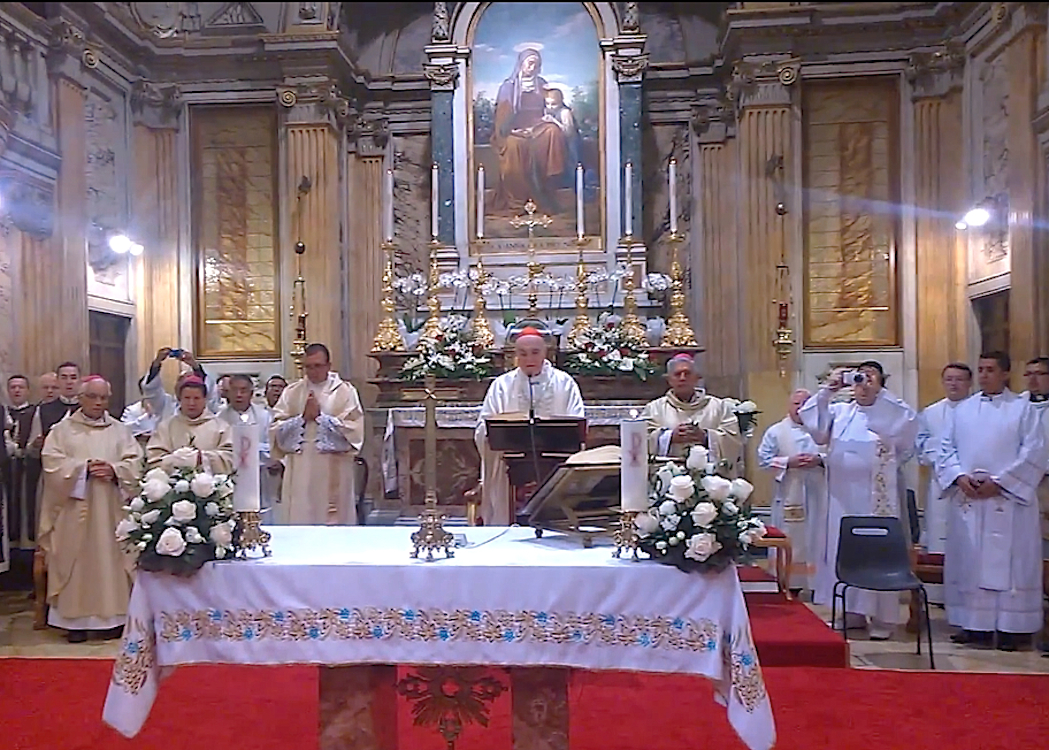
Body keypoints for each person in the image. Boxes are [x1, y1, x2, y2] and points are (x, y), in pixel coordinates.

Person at [799, 360, 918, 640]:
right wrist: (827, 390)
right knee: (843, 549)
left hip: (877, 499)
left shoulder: (891, 410)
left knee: (876, 552)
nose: (863, 385)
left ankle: (883, 618)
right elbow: (817, 431)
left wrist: (879, 394)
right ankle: (851, 612)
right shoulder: (841, 411)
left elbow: (906, 430)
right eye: (859, 378)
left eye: (870, 378)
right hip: (841, 498)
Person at [937, 351, 1047, 651]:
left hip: (1008, 502)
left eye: (990, 370)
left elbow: (1035, 452)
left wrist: (1000, 483)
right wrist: (959, 476)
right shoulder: (963, 410)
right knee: (970, 562)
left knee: (1013, 565)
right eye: (981, 369)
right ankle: (975, 625)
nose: (984, 375)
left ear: (1005, 374)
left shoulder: (1023, 409)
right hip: (970, 500)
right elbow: (945, 449)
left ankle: (1012, 628)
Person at [37, 376, 142, 643]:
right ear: (80, 398)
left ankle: (115, 619)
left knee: (111, 560)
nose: (98, 402)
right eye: (92, 397)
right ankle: (75, 623)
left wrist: (115, 470)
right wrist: (83, 469)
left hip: (111, 509)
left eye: (103, 397)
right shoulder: (62, 430)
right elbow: (52, 463)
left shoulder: (120, 431)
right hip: (74, 511)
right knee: (74, 560)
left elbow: (135, 462)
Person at [473, 327, 585, 526]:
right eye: (523, 353)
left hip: (554, 461)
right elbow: (483, 427)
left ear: (545, 353)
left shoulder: (564, 383)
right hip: (509, 464)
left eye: (535, 352)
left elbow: (577, 423)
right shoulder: (502, 385)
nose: (529, 359)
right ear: (516, 355)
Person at [270, 343, 364, 525]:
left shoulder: (345, 392)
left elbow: (354, 431)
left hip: (333, 466)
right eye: (308, 367)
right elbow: (276, 430)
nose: (313, 371)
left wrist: (321, 418)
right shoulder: (292, 392)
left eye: (318, 366)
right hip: (300, 466)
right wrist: (302, 419)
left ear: (328, 366)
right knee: (300, 515)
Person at [756, 388, 827, 592]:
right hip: (789, 493)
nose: (801, 408)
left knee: (817, 537)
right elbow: (763, 460)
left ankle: (818, 586)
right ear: (789, 406)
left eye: (806, 404)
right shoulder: (776, 431)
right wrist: (788, 462)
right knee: (791, 536)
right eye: (796, 404)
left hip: (818, 494)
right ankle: (788, 583)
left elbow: (837, 457)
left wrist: (819, 460)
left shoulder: (824, 431)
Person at [490, 48, 568, 213]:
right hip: (514, 128)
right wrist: (512, 129)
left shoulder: (541, 83)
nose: (533, 67)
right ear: (521, 64)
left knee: (552, 131)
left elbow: (553, 104)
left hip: (538, 126)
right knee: (514, 145)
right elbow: (502, 115)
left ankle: (547, 186)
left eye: (536, 64)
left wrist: (553, 116)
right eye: (530, 63)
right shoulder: (508, 86)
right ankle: (518, 199)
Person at [641, 354, 743, 468]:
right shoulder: (654, 408)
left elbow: (734, 441)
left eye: (687, 373)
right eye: (677, 374)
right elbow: (640, 442)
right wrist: (669, 437)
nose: (682, 378)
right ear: (669, 380)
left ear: (697, 378)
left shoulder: (719, 407)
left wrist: (705, 436)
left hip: (710, 474)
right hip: (666, 472)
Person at [915, 363, 973, 555]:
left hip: (971, 480)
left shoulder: (979, 410)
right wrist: (940, 459)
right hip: (940, 482)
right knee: (940, 535)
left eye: (959, 379)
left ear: (969, 383)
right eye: (949, 379)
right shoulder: (931, 412)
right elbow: (920, 445)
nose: (953, 384)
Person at [146, 376, 233, 475]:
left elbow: (230, 458)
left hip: (212, 482)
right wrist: (173, 460)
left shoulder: (221, 427)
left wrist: (200, 458)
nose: (191, 403)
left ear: (205, 399)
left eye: (196, 398)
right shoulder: (165, 427)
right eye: (187, 398)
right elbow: (154, 459)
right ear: (180, 399)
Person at [218, 374, 279, 514]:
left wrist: (251, 450)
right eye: (235, 390)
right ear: (228, 393)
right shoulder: (219, 419)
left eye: (243, 390)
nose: (239, 395)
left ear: (251, 393)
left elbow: (272, 446)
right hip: (231, 478)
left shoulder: (264, 416)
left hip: (260, 478)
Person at [4, 374, 36, 549]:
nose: (17, 391)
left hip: (28, 467)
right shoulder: (4, 413)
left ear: (28, 391)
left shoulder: (35, 413)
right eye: (13, 387)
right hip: (6, 468)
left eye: (21, 387)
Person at [27, 363, 81, 457]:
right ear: (57, 381)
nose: (69, 382)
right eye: (64, 378)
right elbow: (31, 448)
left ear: (80, 380)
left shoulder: (88, 408)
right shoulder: (43, 410)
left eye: (73, 377)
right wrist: (35, 445)